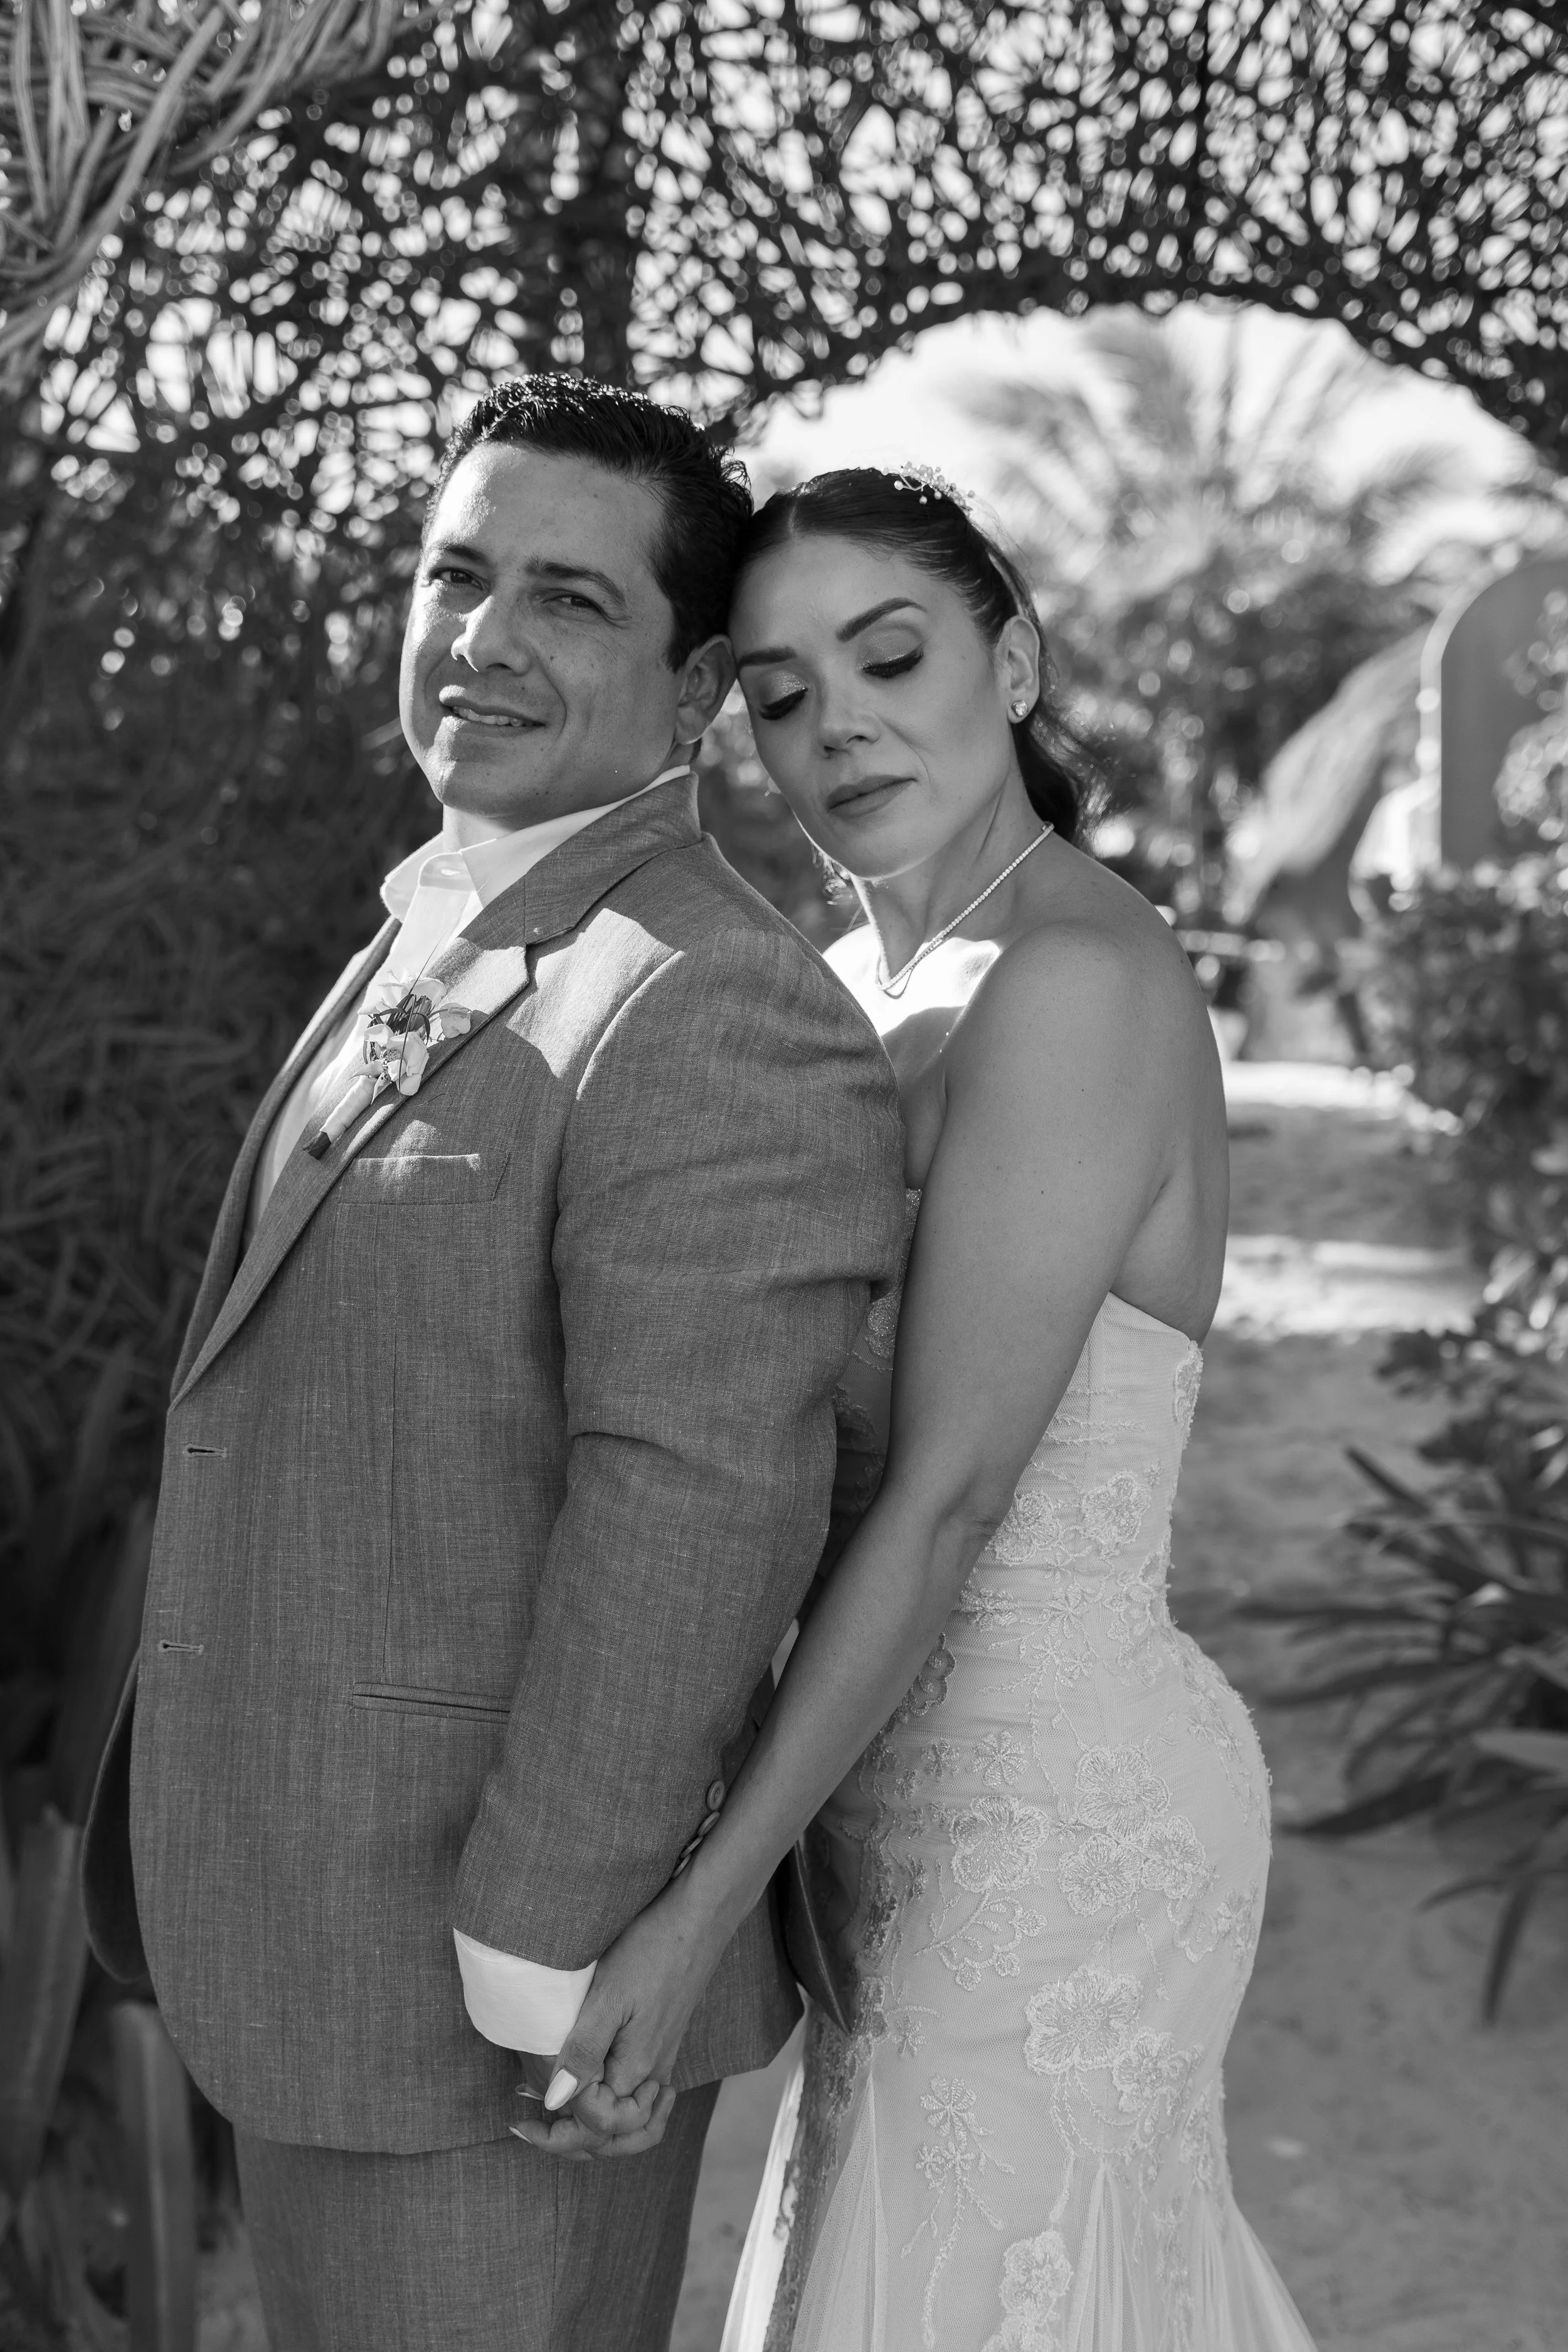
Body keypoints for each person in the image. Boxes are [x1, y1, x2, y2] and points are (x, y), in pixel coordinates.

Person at [80, 384, 907, 2352]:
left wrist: (538, 1963)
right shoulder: (438, 923)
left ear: (698, 681)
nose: (482, 638)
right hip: (321, 1940)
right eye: (457, 573)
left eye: (566, 598)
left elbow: (695, 1505)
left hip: (492, 2002)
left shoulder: (712, 1005)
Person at [518, 467, 1320, 2352]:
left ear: (1015, 656)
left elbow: (946, 1494)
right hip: (882, 1811)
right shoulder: (857, 995)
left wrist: (693, 1906)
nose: (837, 724)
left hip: (1049, 1822)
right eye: (782, 694)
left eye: (889, 656)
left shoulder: (1073, 983)